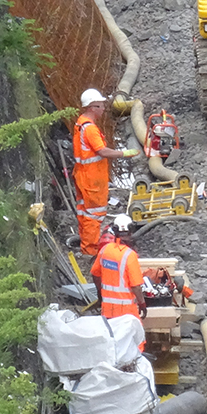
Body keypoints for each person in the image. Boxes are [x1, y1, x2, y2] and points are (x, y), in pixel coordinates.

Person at [73, 88, 137, 255]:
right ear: (93, 107)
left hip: (82, 175)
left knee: (84, 212)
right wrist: (124, 153)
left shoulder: (80, 123)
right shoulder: (90, 129)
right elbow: (102, 151)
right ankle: (91, 251)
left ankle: (86, 245)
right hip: (92, 179)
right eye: (101, 106)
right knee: (94, 215)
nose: (103, 109)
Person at [91, 214, 147, 320]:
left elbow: (95, 274)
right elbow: (136, 286)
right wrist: (142, 303)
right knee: (136, 336)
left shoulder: (105, 250)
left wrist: (100, 294)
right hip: (126, 312)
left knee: (111, 335)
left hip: (107, 310)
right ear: (130, 230)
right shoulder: (130, 255)